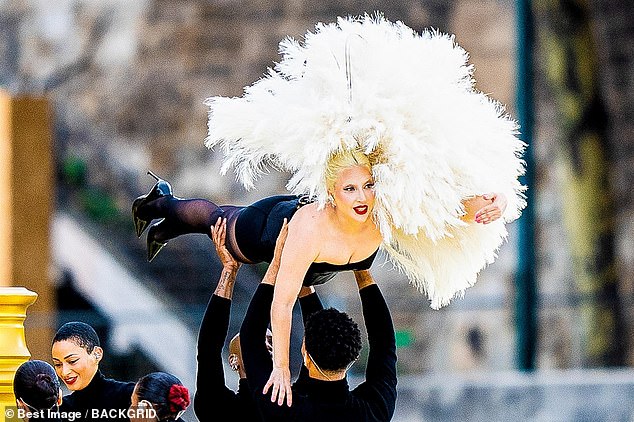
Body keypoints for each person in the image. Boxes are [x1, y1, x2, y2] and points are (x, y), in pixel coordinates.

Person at [134, 14, 526, 406]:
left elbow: (442, 209)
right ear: (331, 193)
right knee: (219, 223)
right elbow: (282, 300)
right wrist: (282, 369)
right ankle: (161, 202)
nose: (361, 197)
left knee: (221, 222)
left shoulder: (381, 212)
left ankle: (164, 226)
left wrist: (499, 201)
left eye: (368, 186)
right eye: (350, 189)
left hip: (314, 264)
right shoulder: (309, 229)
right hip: (273, 230)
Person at [240, 221, 397, 421]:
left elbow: (384, 341)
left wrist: (281, 263)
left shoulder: (285, 407)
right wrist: (359, 264)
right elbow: (384, 342)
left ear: (304, 351)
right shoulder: (373, 412)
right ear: (354, 357)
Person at [192, 217, 327, 421]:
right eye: (262, 340)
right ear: (233, 360)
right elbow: (208, 349)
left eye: (272, 340)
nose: (267, 344)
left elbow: (319, 351)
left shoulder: (292, 402)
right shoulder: (218, 407)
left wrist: (297, 273)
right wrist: (229, 271)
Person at [51, 322, 135, 421]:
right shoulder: (60, 410)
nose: (64, 372)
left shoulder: (130, 396)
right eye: (58, 364)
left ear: (97, 354)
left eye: (72, 361)